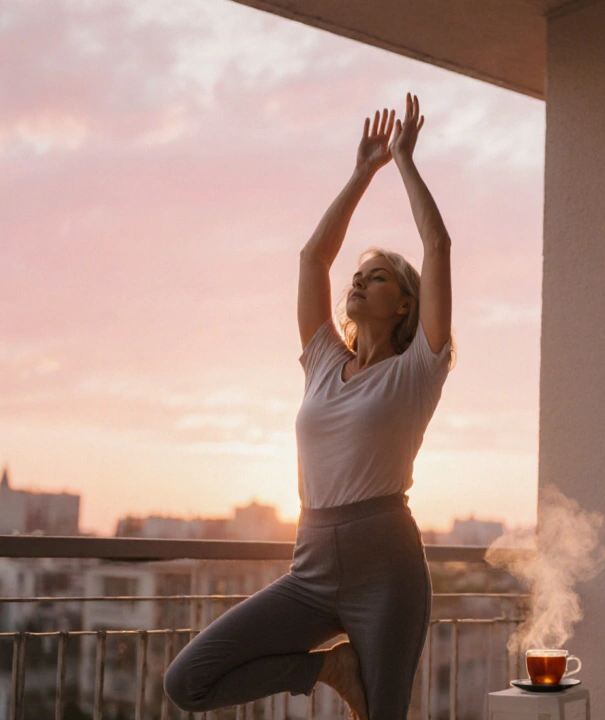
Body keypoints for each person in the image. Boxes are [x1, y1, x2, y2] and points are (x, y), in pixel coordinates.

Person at [164, 93, 453, 720]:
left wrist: (404, 161)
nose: (357, 280)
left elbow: (438, 247)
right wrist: (361, 173)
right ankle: (328, 666)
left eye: (376, 276)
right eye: (360, 273)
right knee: (189, 681)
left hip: (387, 566)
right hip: (311, 561)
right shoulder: (322, 361)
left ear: (406, 303)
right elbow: (313, 258)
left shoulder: (418, 369)